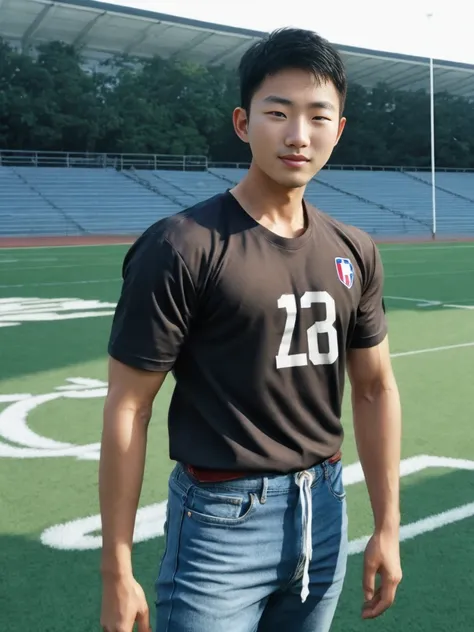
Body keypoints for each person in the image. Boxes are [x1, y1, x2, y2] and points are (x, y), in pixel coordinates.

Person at [99, 27, 402, 632]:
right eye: (278, 113)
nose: (298, 135)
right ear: (243, 123)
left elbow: (373, 388)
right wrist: (116, 567)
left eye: (319, 116)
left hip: (325, 510)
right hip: (220, 523)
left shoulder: (354, 248)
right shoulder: (181, 246)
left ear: (339, 130)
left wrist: (388, 525)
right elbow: (129, 408)